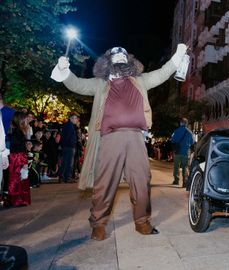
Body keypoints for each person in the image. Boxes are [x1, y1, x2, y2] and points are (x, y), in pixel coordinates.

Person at [51, 44, 187, 240]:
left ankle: (142, 222)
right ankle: (98, 224)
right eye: (116, 55)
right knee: (104, 183)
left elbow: (162, 73)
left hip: (135, 138)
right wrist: (64, 70)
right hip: (110, 138)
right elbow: (77, 84)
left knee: (141, 181)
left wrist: (178, 55)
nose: (120, 57)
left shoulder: (140, 80)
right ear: (108, 61)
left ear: (129, 60)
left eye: (124, 55)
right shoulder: (100, 83)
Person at [7, 112, 30, 207]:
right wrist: (24, 162)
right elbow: (20, 148)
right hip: (18, 158)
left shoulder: (16, 131)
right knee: (17, 179)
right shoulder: (18, 132)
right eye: (25, 119)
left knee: (17, 179)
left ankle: (17, 199)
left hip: (16, 157)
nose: (27, 121)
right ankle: (17, 200)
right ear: (21, 120)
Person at [171, 118, 194, 187]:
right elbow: (192, 142)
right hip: (186, 152)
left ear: (181, 123)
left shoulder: (176, 131)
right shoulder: (190, 132)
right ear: (186, 124)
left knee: (176, 167)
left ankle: (176, 180)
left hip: (177, 152)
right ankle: (185, 182)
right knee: (185, 167)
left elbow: (173, 140)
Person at [58, 115, 78, 183]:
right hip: (69, 146)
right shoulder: (69, 126)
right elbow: (67, 136)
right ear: (71, 118)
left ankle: (64, 177)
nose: (76, 120)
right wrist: (69, 144)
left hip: (67, 146)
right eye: (75, 118)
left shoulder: (68, 125)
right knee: (68, 162)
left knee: (66, 162)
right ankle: (66, 177)